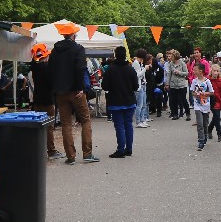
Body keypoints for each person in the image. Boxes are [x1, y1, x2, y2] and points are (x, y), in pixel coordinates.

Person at [48, 22, 98, 164]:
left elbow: (51, 70)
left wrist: (55, 88)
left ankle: (70, 157)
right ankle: (87, 154)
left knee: (66, 124)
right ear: (74, 35)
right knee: (85, 120)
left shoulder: (55, 50)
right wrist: (80, 87)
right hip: (76, 91)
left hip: (60, 92)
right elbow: (80, 68)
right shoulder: (78, 49)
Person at [101, 46, 139, 158]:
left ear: (115, 55)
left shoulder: (110, 70)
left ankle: (121, 149)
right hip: (129, 101)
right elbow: (136, 86)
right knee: (128, 125)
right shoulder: (130, 69)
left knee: (119, 126)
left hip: (115, 101)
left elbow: (104, 86)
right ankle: (129, 149)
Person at [29, 44, 62, 160]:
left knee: (39, 126)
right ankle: (51, 151)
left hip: (37, 100)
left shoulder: (34, 67)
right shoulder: (48, 68)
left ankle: (38, 150)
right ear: (45, 55)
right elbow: (53, 84)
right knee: (49, 127)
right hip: (48, 100)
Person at [188, 63, 214, 150]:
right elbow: (192, 91)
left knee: (205, 123)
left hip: (205, 105)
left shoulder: (207, 81)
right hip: (197, 105)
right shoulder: (194, 81)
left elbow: (212, 92)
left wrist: (205, 93)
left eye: (195, 70)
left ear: (201, 71)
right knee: (199, 123)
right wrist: (195, 94)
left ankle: (205, 136)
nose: (193, 71)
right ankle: (201, 140)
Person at [167, 50, 189, 120]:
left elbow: (186, 73)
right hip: (173, 84)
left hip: (181, 84)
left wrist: (179, 72)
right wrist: (167, 83)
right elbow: (169, 74)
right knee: (174, 100)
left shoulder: (182, 63)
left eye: (172, 56)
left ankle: (188, 113)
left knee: (183, 100)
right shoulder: (171, 64)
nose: (170, 57)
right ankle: (175, 114)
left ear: (175, 56)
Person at [133, 49, 150, 128]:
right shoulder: (136, 63)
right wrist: (145, 69)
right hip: (139, 86)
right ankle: (138, 121)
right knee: (139, 105)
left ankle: (143, 120)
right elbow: (138, 75)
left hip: (143, 85)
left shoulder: (140, 63)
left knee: (143, 105)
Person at [145, 52, 165, 117]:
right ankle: (152, 109)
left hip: (159, 85)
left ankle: (159, 111)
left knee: (159, 98)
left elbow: (162, 75)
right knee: (152, 98)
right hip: (151, 85)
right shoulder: (149, 68)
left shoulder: (159, 68)